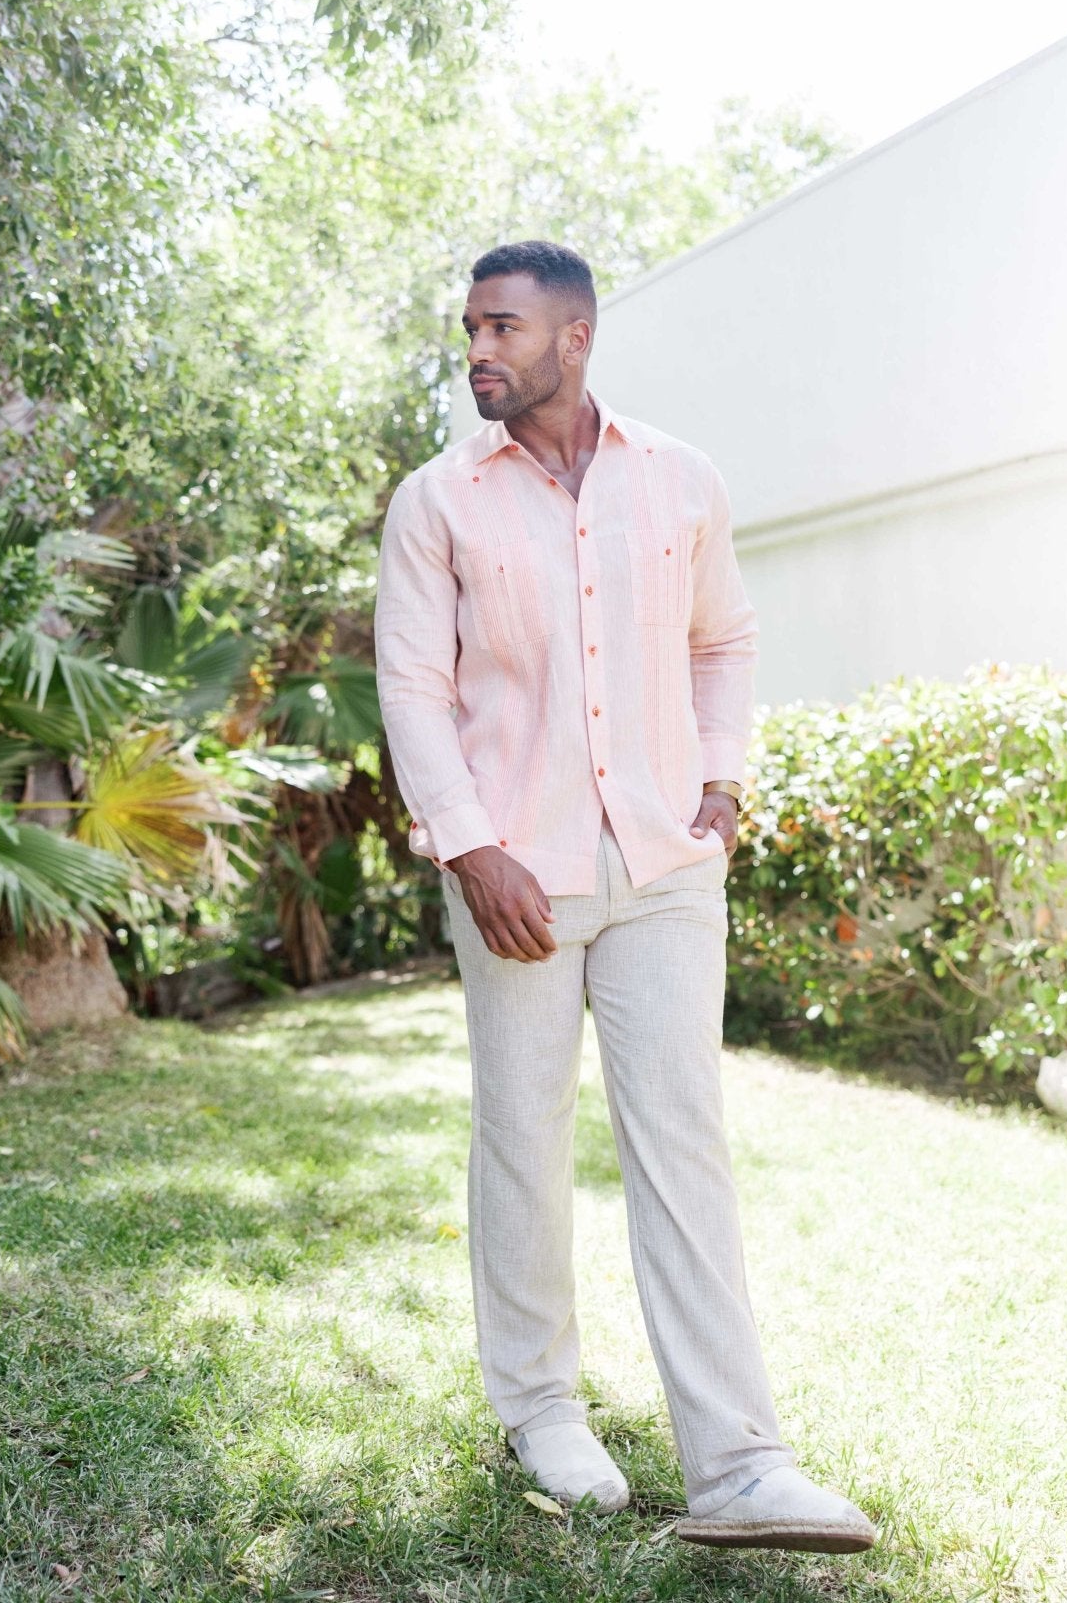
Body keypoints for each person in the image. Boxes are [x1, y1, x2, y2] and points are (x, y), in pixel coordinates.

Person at [373, 239, 875, 1555]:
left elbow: (724, 639)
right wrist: (470, 848)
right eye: (469, 328)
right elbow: (415, 688)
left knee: (682, 1145)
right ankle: (539, 1405)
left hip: (660, 871)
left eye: (502, 328)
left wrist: (721, 780)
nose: (478, 349)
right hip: (515, 872)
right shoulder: (438, 503)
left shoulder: (680, 483)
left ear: (574, 336)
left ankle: (741, 1465)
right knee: (524, 1139)